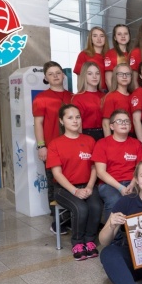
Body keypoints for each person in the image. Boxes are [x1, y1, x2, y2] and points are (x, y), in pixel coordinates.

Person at [46, 104, 101, 261]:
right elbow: (57, 174)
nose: (75, 121)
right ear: (61, 121)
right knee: (81, 208)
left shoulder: (89, 140)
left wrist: (89, 187)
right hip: (64, 188)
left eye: (77, 117)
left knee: (96, 207)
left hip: (87, 185)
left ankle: (89, 241)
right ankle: (77, 243)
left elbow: (94, 167)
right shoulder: (55, 144)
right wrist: (75, 191)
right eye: (70, 117)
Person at [32, 61, 73, 234]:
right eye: (51, 74)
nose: (55, 76)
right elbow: (38, 123)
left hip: (71, 147)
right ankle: (57, 220)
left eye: (58, 72)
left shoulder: (72, 96)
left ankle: (71, 218)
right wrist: (41, 146)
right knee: (54, 183)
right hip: (51, 148)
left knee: (73, 181)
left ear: (63, 75)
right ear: (45, 78)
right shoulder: (41, 98)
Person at [92, 110, 142, 221]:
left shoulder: (137, 144)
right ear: (111, 126)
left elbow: (140, 169)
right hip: (109, 184)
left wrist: (132, 184)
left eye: (126, 121)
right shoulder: (102, 144)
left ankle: (134, 232)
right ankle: (113, 232)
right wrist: (120, 187)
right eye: (119, 121)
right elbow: (100, 173)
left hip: (133, 182)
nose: (124, 123)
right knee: (115, 200)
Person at [72, 62, 104, 141]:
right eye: (90, 74)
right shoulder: (78, 98)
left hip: (105, 133)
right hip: (86, 134)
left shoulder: (105, 96)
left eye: (97, 73)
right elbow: (77, 123)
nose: (94, 76)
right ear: (84, 76)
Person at [101, 63, 133, 137]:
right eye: (121, 74)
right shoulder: (111, 97)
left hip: (132, 135)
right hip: (117, 136)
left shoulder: (133, 95)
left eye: (127, 74)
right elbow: (106, 123)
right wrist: (109, 142)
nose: (124, 76)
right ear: (115, 77)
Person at [73, 27, 108, 92]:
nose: (99, 39)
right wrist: (80, 92)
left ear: (105, 39)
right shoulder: (84, 54)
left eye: (102, 36)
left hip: (107, 91)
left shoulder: (109, 55)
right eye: (95, 36)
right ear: (91, 39)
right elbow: (80, 77)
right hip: (90, 91)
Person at [104, 24, 131, 91]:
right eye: (119, 34)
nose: (123, 36)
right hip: (115, 91)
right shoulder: (110, 53)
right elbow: (108, 79)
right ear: (115, 37)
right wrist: (114, 94)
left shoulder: (133, 53)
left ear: (129, 36)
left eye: (126, 34)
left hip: (131, 91)